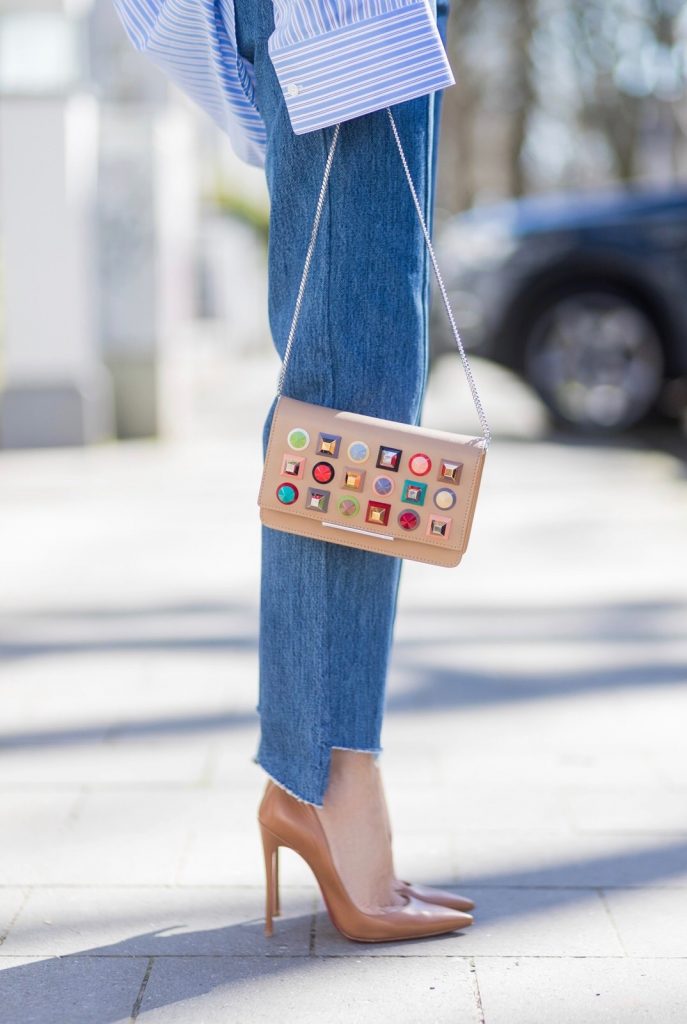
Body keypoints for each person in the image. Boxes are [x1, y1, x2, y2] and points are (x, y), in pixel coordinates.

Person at [113, 0, 474, 942]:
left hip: (361, 21)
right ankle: (324, 776)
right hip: (341, 17)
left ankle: (316, 770)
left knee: (361, 404)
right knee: (350, 416)